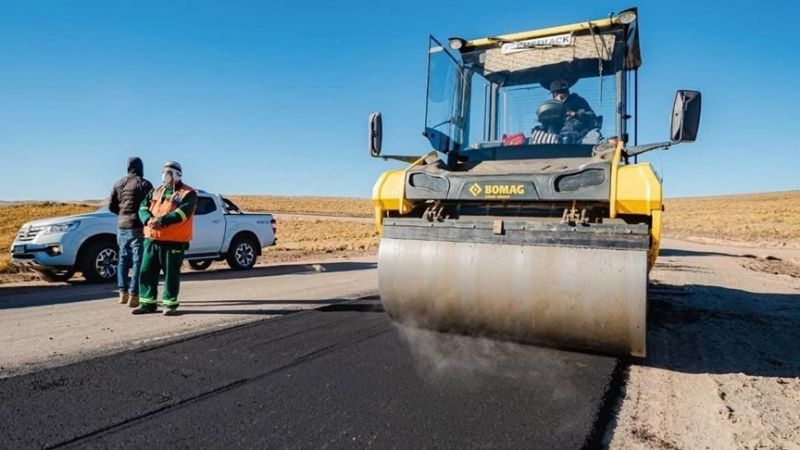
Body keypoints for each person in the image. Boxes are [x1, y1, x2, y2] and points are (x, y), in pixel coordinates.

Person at [133, 161, 197, 316]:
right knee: (147, 271)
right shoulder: (156, 190)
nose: (165, 174)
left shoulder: (188, 193)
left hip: (173, 241)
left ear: (177, 174)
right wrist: (148, 220)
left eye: (168, 171)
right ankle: (147, 303)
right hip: (152, 239)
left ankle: (170, 304)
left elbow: (182, 213)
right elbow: (142, 207)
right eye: (164, 171)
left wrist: (161, 221)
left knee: (171, 274)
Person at [109, 157, 153, 308]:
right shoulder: (144, 184)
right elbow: (151, 205)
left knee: (122, 260)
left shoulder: (118, 183)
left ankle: (122, 292)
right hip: (138, 226)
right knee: (138, 261)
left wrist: (123, 214)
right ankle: (134, 294)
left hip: (122, 225)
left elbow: (111, 206)